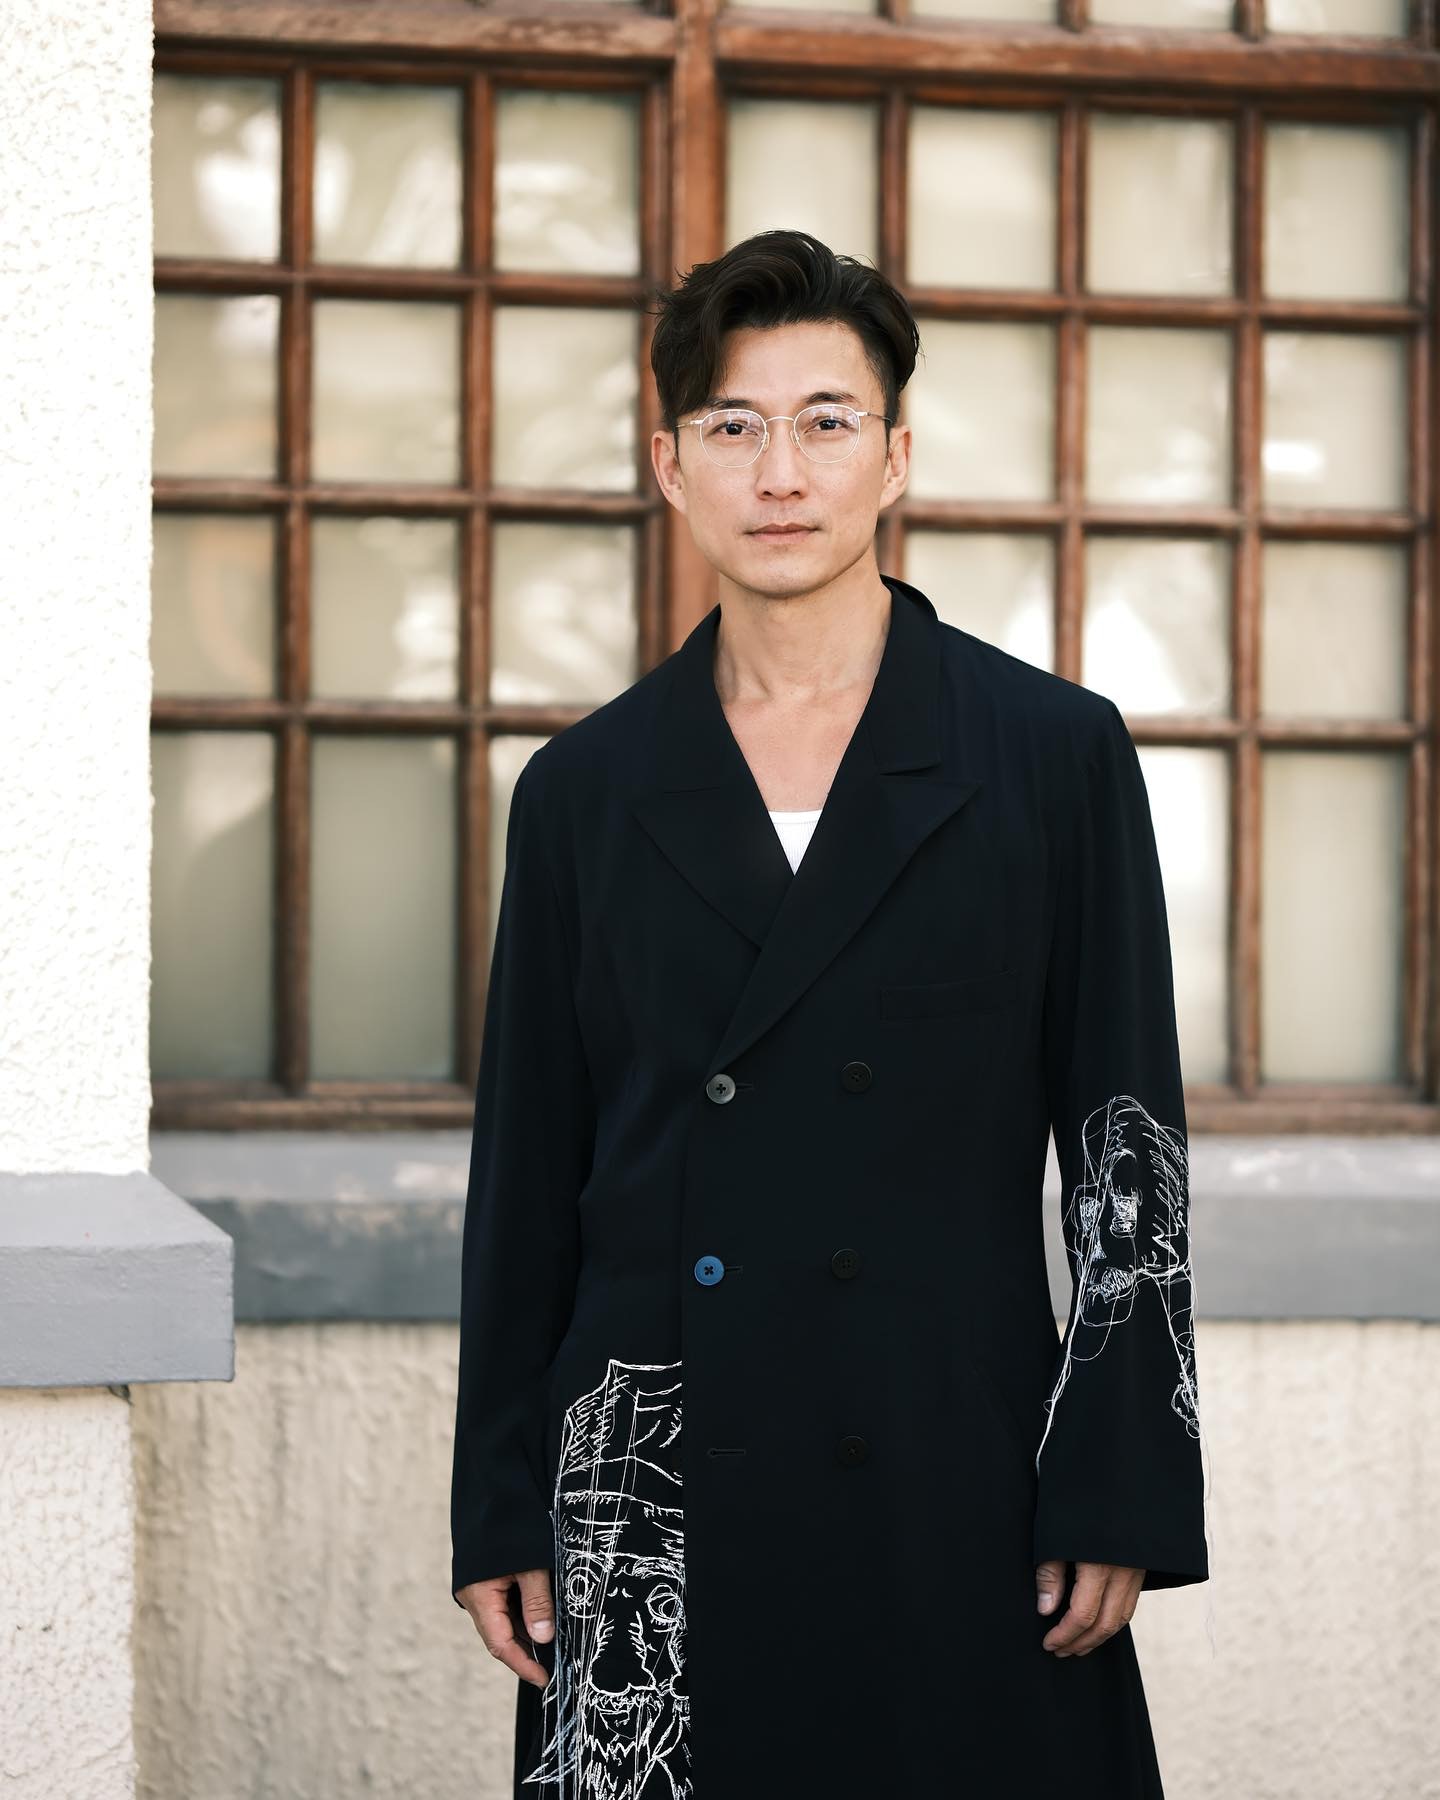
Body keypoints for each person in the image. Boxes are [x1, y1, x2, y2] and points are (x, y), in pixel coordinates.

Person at [451, 227, 1209, 1798]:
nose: (780, 472)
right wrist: (502, 1499)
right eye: (733, 425)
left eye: (826, 422)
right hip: (652, 1475)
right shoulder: (585, 789)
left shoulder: (1049, 755)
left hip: (954, 1453)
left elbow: (1127, 1147)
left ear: (896, 456)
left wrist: (1121, 1476)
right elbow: (526, 1179)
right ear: (671, 465)